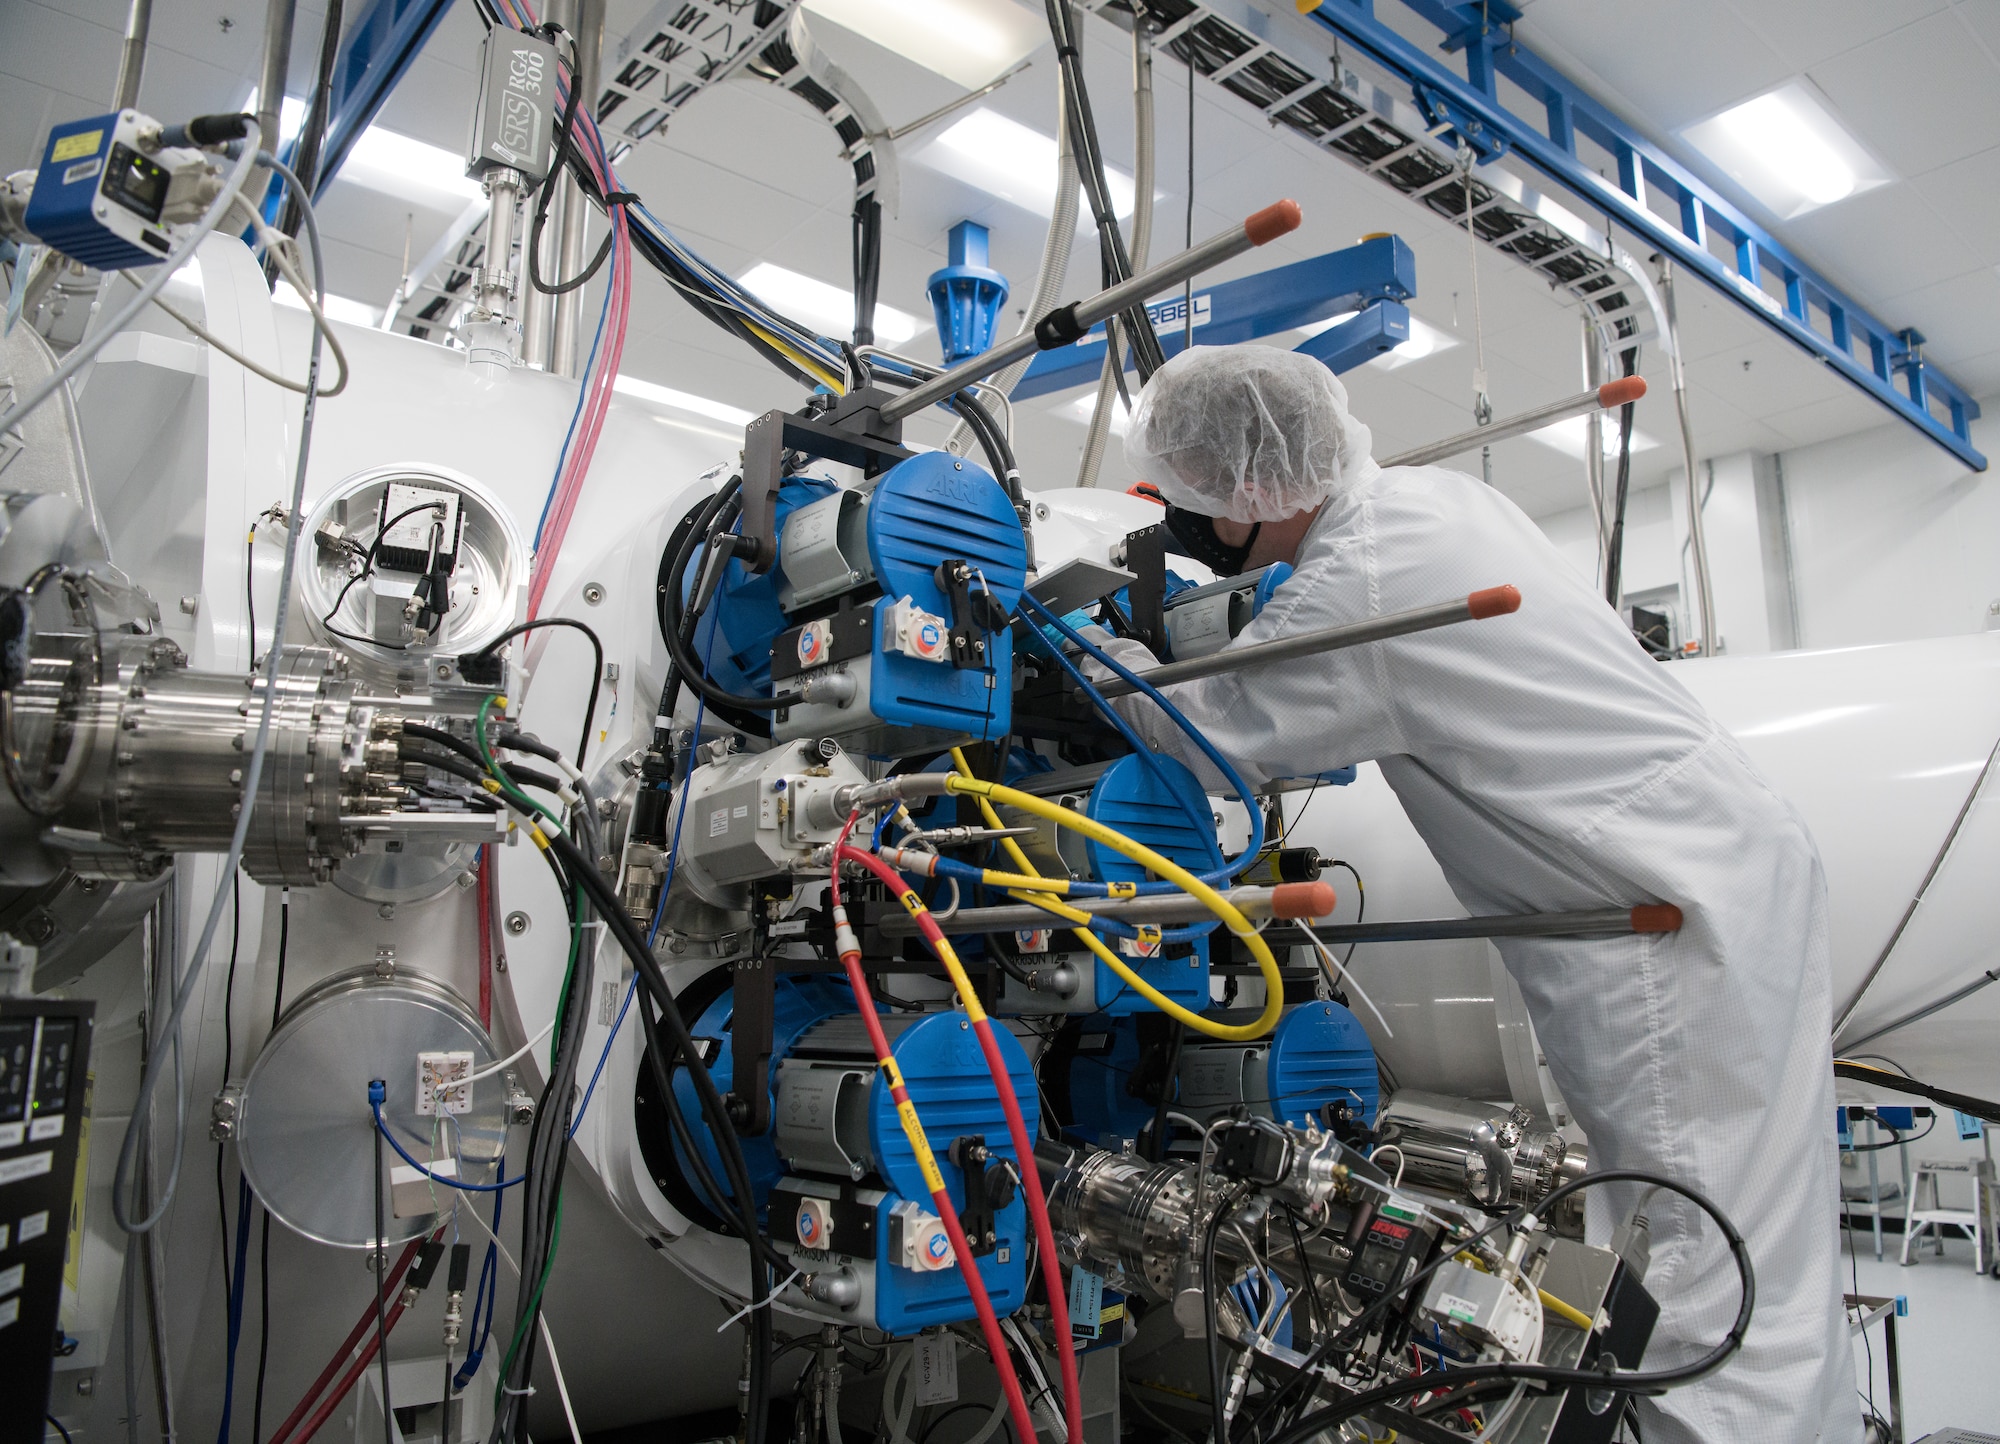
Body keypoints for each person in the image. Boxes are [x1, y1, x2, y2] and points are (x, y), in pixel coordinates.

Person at [1086, 344, 1859, 1444]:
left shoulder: (1361, 580)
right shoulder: (1431, 504)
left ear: (1249, 490)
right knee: (1750, 1233)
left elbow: (1210, 742)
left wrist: (1094, 649)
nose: (1194, 527)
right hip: (1710, 857)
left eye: (1198, 499)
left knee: (1698, 1243)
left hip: (1665, 910)